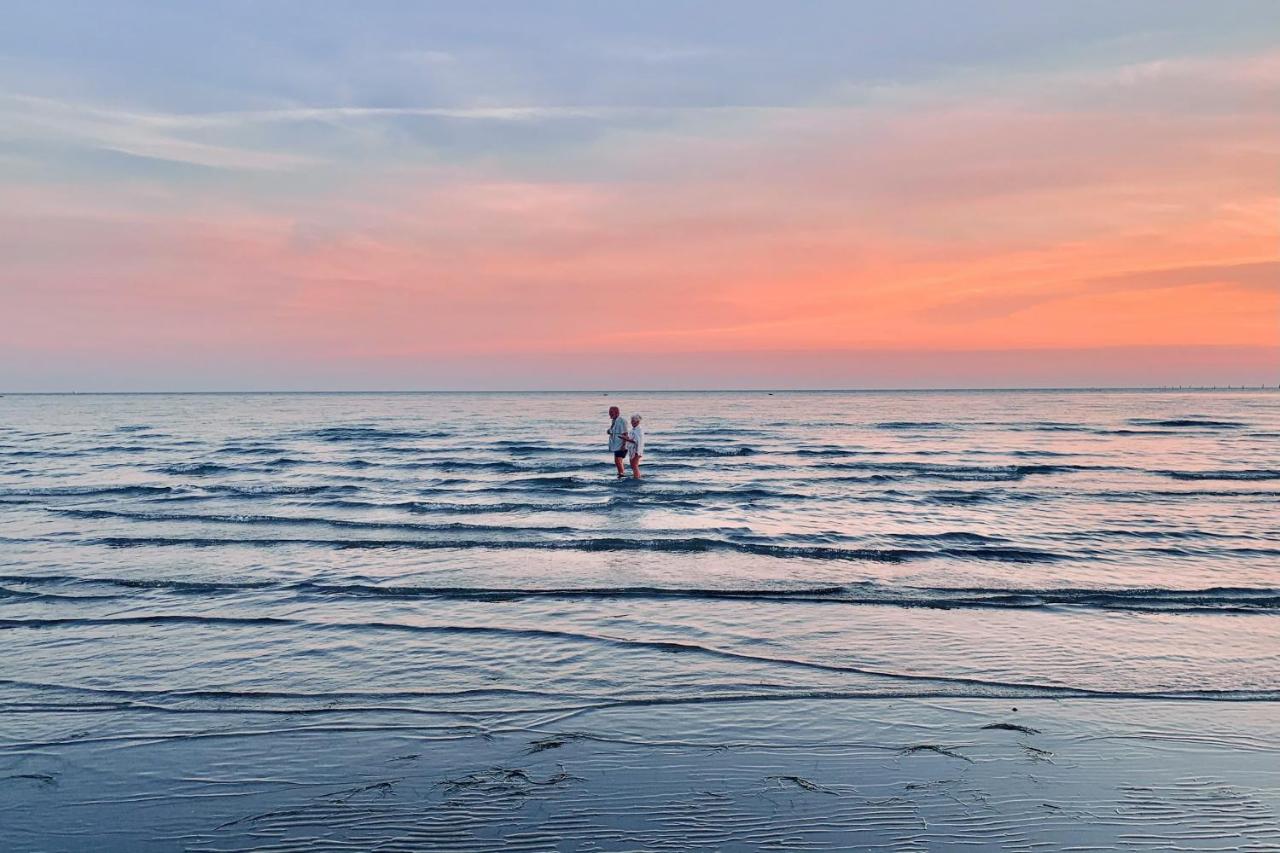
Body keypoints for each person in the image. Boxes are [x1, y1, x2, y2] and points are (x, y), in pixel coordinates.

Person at [606, 406, 629, 478]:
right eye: (609, 412)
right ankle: (621, 473)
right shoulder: (614, 421)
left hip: (620, 444)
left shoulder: (621, 420)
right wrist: (609, 431)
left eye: (611, 412)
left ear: (617, 412)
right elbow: (612, 431)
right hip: (616, 444)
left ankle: (621, 474)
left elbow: (625, 433)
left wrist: (624, 445)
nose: (610, 413)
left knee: (618, 460)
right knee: (618, 460)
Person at [626, 413, 645, 479]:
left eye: (633, 421)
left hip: (637, 450)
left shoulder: (638, 430)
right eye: (631, 421)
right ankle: (637, 476)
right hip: (632, 449)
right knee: (633, 465)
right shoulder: (633, 429)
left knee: (634, 465)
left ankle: (637, 477)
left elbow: (636, 441)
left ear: (637, 422)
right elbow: (631, 438)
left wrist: (625, 439)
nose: (631, 422)